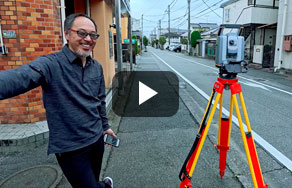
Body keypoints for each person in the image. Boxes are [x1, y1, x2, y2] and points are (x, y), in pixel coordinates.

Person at [0, 13, 116, 188]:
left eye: (93, 35)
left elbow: (100, 101)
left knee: (93, 177)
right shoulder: (51, 64)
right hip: (70, 147)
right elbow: (22, 76)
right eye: (82, 33)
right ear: (67, 34)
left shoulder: (96, 67)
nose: (88, 39)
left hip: (96, 140)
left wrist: (105, 126)